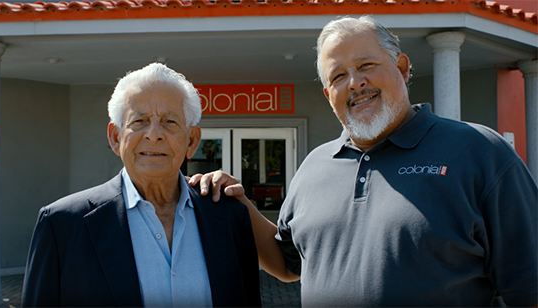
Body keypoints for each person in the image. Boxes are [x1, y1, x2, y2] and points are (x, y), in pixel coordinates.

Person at [192, 15, 538, 307]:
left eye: (366, 65)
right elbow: (287, 263)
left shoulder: (480, 153)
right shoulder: (314, 166)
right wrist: (239, 203)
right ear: (329, 95)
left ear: (402, 68)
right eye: (338, 76)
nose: (355, 83)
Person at [22, 63, 261, 307]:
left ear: (192, 140)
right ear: (116, 138)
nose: (154, 134)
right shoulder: (62, 225)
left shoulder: (229, 215)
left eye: (169, 121)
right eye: (139, 121)